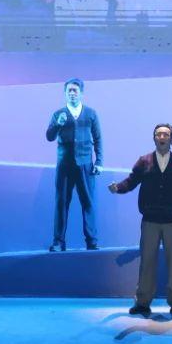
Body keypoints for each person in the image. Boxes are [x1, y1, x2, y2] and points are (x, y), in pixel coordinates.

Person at [107, 123, 172, 317]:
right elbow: (131, 181)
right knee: (147, 262)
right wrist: (117, 188)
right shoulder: (144, 161)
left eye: (166, 134)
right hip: (150, 221)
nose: (162, 137)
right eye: (158, 134)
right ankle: (142, 302)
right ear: (154, 138)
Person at [45, 79, 103, 251]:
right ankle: (58, 242)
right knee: (61, 203)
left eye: (75, 91)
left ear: (81, 93)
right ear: (65, 93)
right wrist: (58, 124)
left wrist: (99, 162)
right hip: (65, 166)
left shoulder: (91, 113)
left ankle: (92, 241)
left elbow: (98, 138)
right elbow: (49, 137)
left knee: (88, 203)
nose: (72, 93)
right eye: (69, 91)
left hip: (86, 165)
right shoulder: (58, 114)